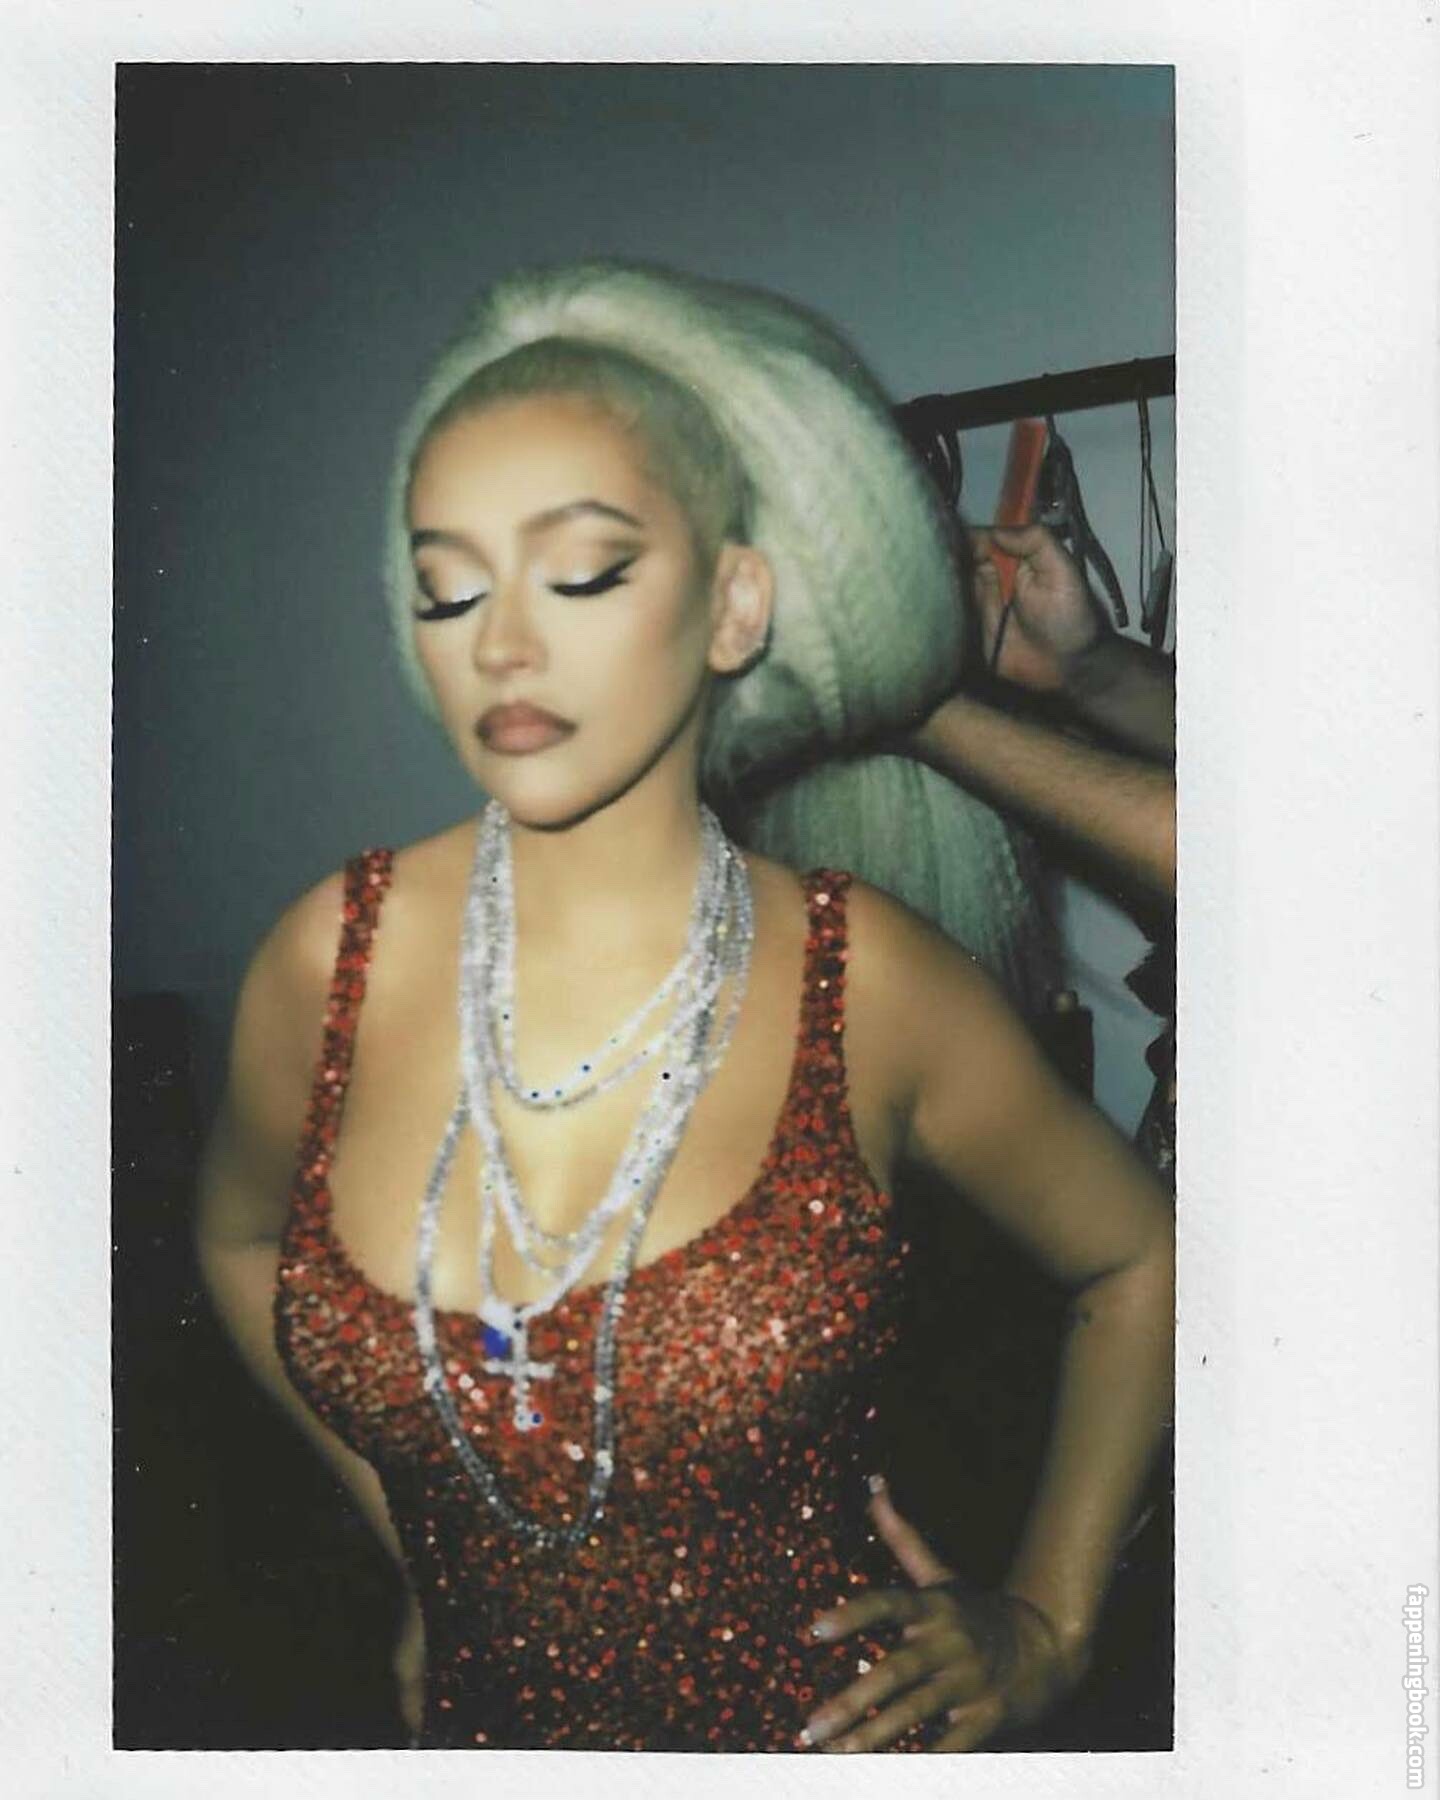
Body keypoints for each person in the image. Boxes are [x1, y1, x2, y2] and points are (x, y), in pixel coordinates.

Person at [195, 259, 1174, 1753]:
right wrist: (425, 1532)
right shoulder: (328, 956)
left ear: (733, 606)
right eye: (447, 586)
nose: (499, 645)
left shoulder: (867, 982)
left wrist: (1048, 1620)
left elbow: (1138, 1255)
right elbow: (238, 1237)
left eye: (582, 572)